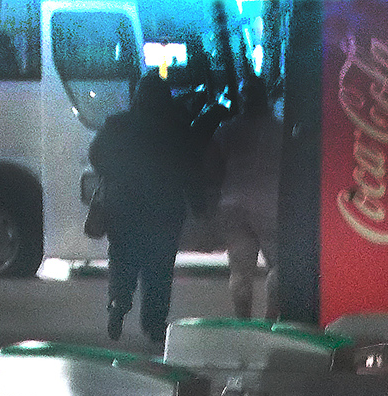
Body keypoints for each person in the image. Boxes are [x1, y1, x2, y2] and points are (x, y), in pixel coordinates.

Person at [89, 74, 207, 344]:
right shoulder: (177, 127)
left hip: (122, 205)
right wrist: (199, 204)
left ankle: (118, 302)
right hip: (164, 209)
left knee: (122, 257)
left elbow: (96, 155)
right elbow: (191, 169)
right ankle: (154, 323)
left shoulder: (117, 124)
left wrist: (116, 174)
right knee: (160, 267)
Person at [210, 77, 281, 320]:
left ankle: (243, 321)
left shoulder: (227, 130)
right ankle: (271, 319)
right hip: (270, 206)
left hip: (233, 205)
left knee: (240, 272)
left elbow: (212, 166)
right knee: (280, 267)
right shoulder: (279, 131)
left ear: (242, 99)